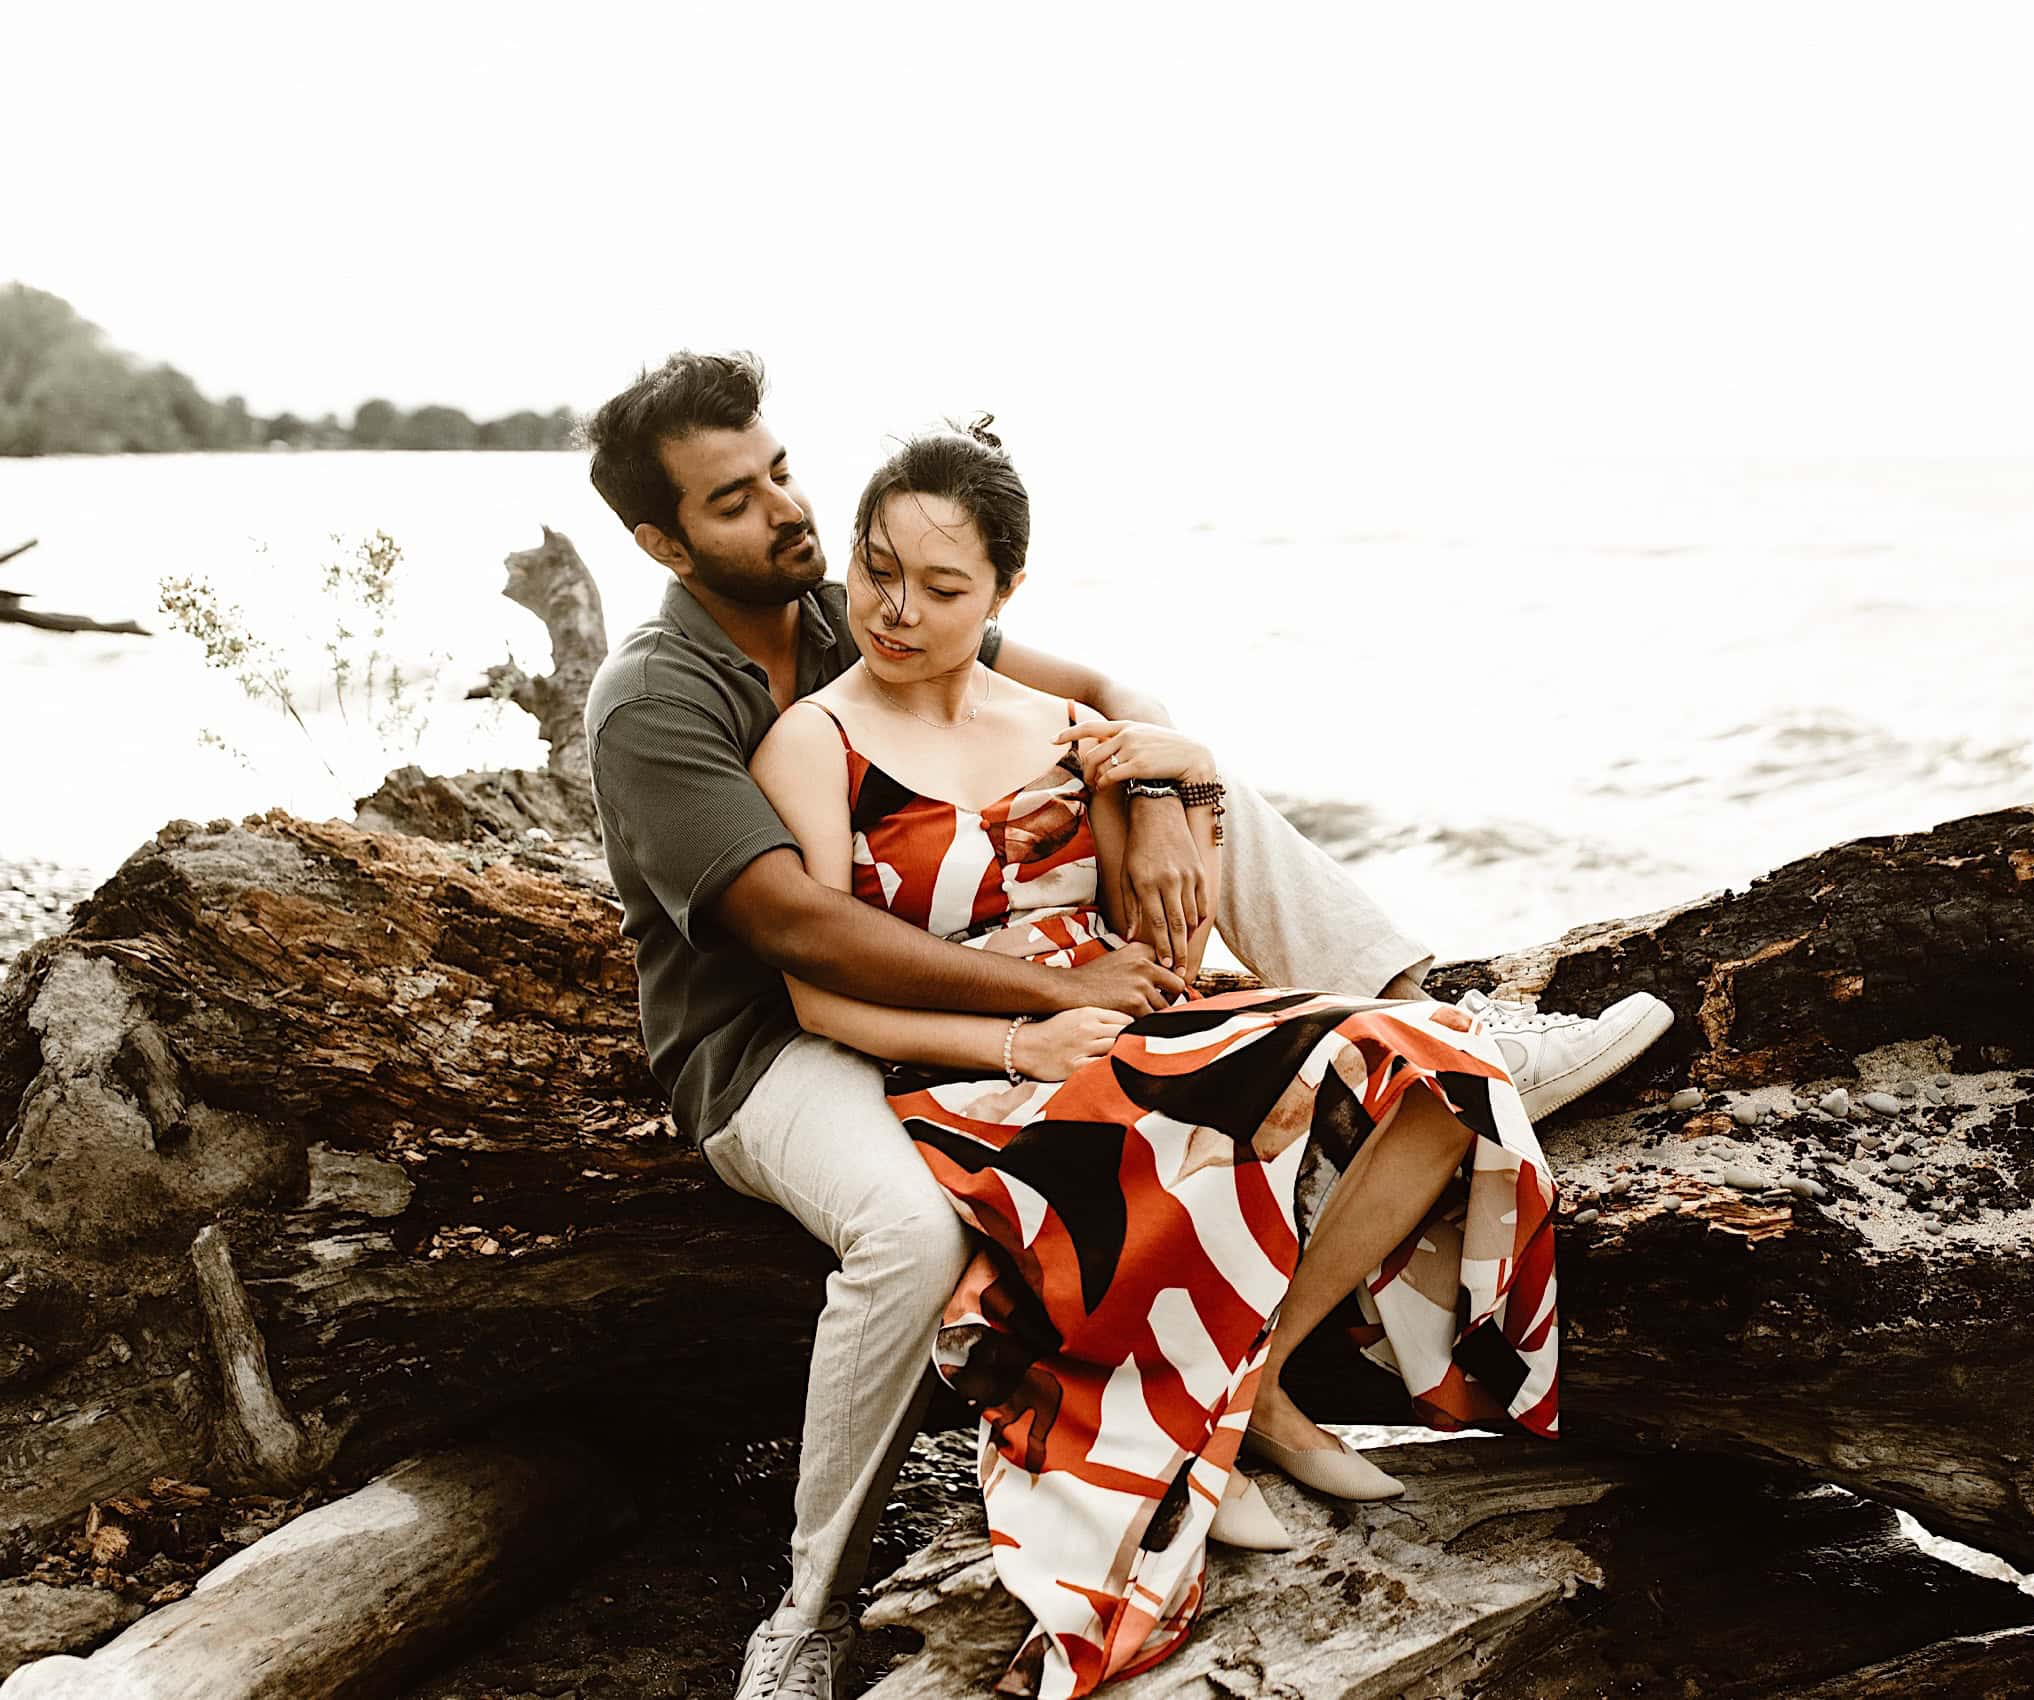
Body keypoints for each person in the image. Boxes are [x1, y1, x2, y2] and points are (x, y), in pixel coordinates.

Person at [578, 354, 1670, 1700]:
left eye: (782, 471)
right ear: (658, 539)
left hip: (968, 981)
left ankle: (1424, 1022)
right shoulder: (658, 696)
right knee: (908, 1239)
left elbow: (1102, 692)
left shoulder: (839, 599)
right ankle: (807, 1611)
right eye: (732, 500)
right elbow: (796, 932)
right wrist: (1054, 996)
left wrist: (1155, 784)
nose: (784, 513)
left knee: (1192, 787)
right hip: (773, 1050)